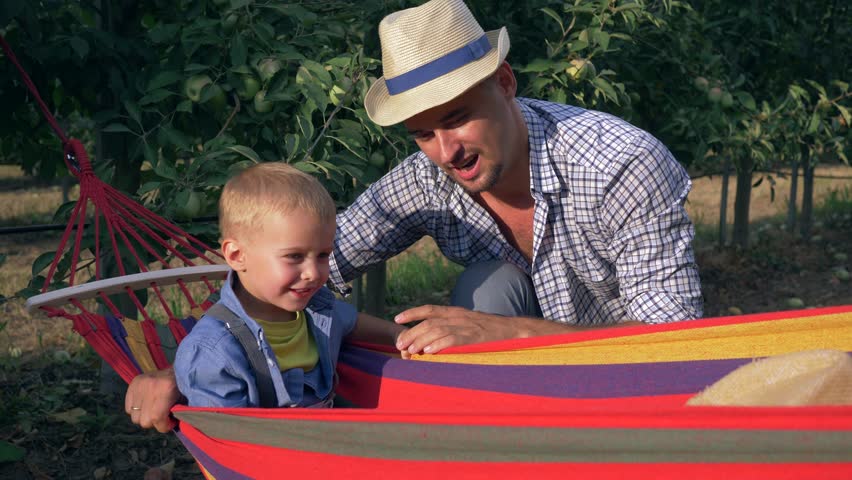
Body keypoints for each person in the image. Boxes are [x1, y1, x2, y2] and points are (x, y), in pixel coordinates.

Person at [126, 0, 702, 430]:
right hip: (522, 389)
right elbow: (288, 273)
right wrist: (191, 367)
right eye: (423, 133)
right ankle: (491, 445)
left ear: (504, 83)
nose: (445, 151)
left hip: (627, 383)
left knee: (488, 297)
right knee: (490, 283)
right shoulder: (429, 176)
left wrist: (508, 333)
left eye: (456, 118)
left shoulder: (623, 166)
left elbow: (676, 347)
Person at [170, 162, 405, 409]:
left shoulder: (316, 309)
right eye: (294, 256)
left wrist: (398, 336)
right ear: (238, 255)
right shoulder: (215, 351)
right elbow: (225, 439)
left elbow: (351, 322)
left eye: (324, 255)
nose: (313, 273)